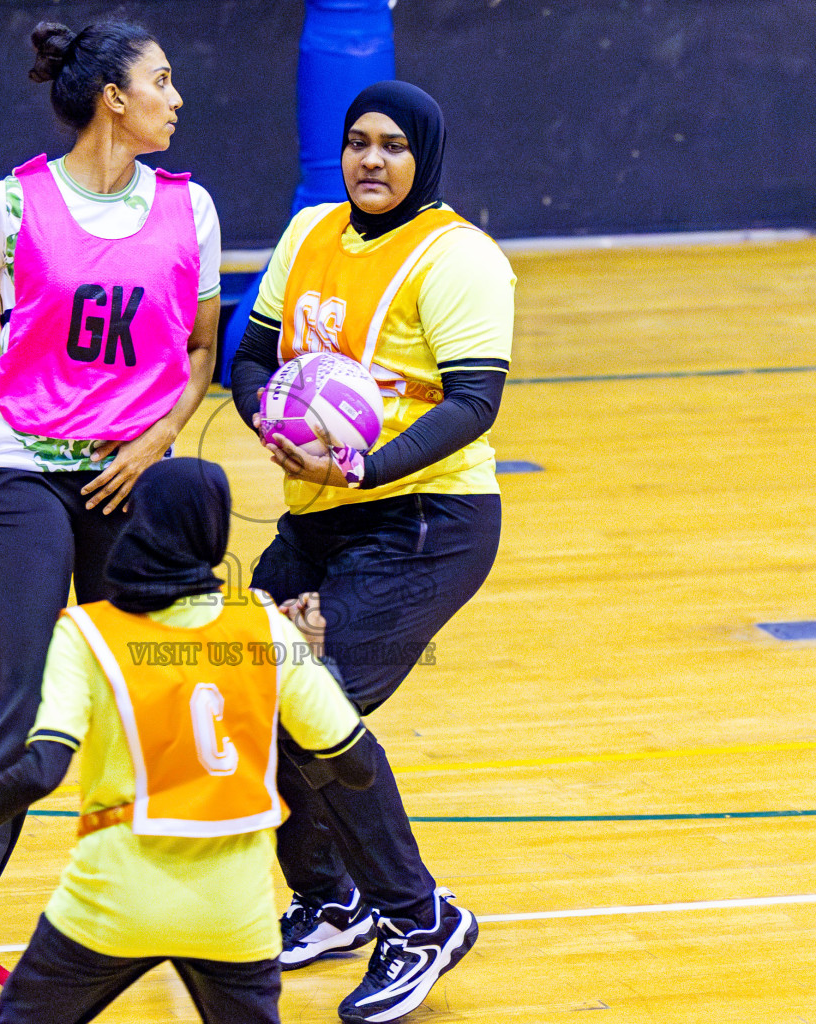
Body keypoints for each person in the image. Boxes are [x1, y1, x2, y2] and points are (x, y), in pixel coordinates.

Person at [0, 19, 222, 1024]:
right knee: (26, 709)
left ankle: (183, 926)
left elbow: (201, 353)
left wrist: (157, 440)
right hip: (31, 475)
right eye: (161, 81)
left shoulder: (191, 208)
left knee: (157, 700)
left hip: (133, 484)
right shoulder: (8, 207)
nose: (176, 97)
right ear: (112, 99)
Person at [0, 459, 379, 1024]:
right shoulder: (267, 626)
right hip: (235, 914)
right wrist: (312, 662)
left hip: (113, 901)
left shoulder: (88, 631)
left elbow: (40, 771)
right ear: (216, 534)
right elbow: (354, 767)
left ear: (136, 521)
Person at [228, 80, 514, 1023]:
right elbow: (252, 357)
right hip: (319, 512)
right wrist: (266, 424)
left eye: (393, 146)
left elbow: (475, 403)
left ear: (422, 157)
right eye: (358, 143)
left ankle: (419, 918)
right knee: (247, 689)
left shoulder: (461, 258)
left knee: (321, 703)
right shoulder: (309, 231)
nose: (372, 161)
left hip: (426, 521)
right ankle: (333, 900)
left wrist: (365, 466)